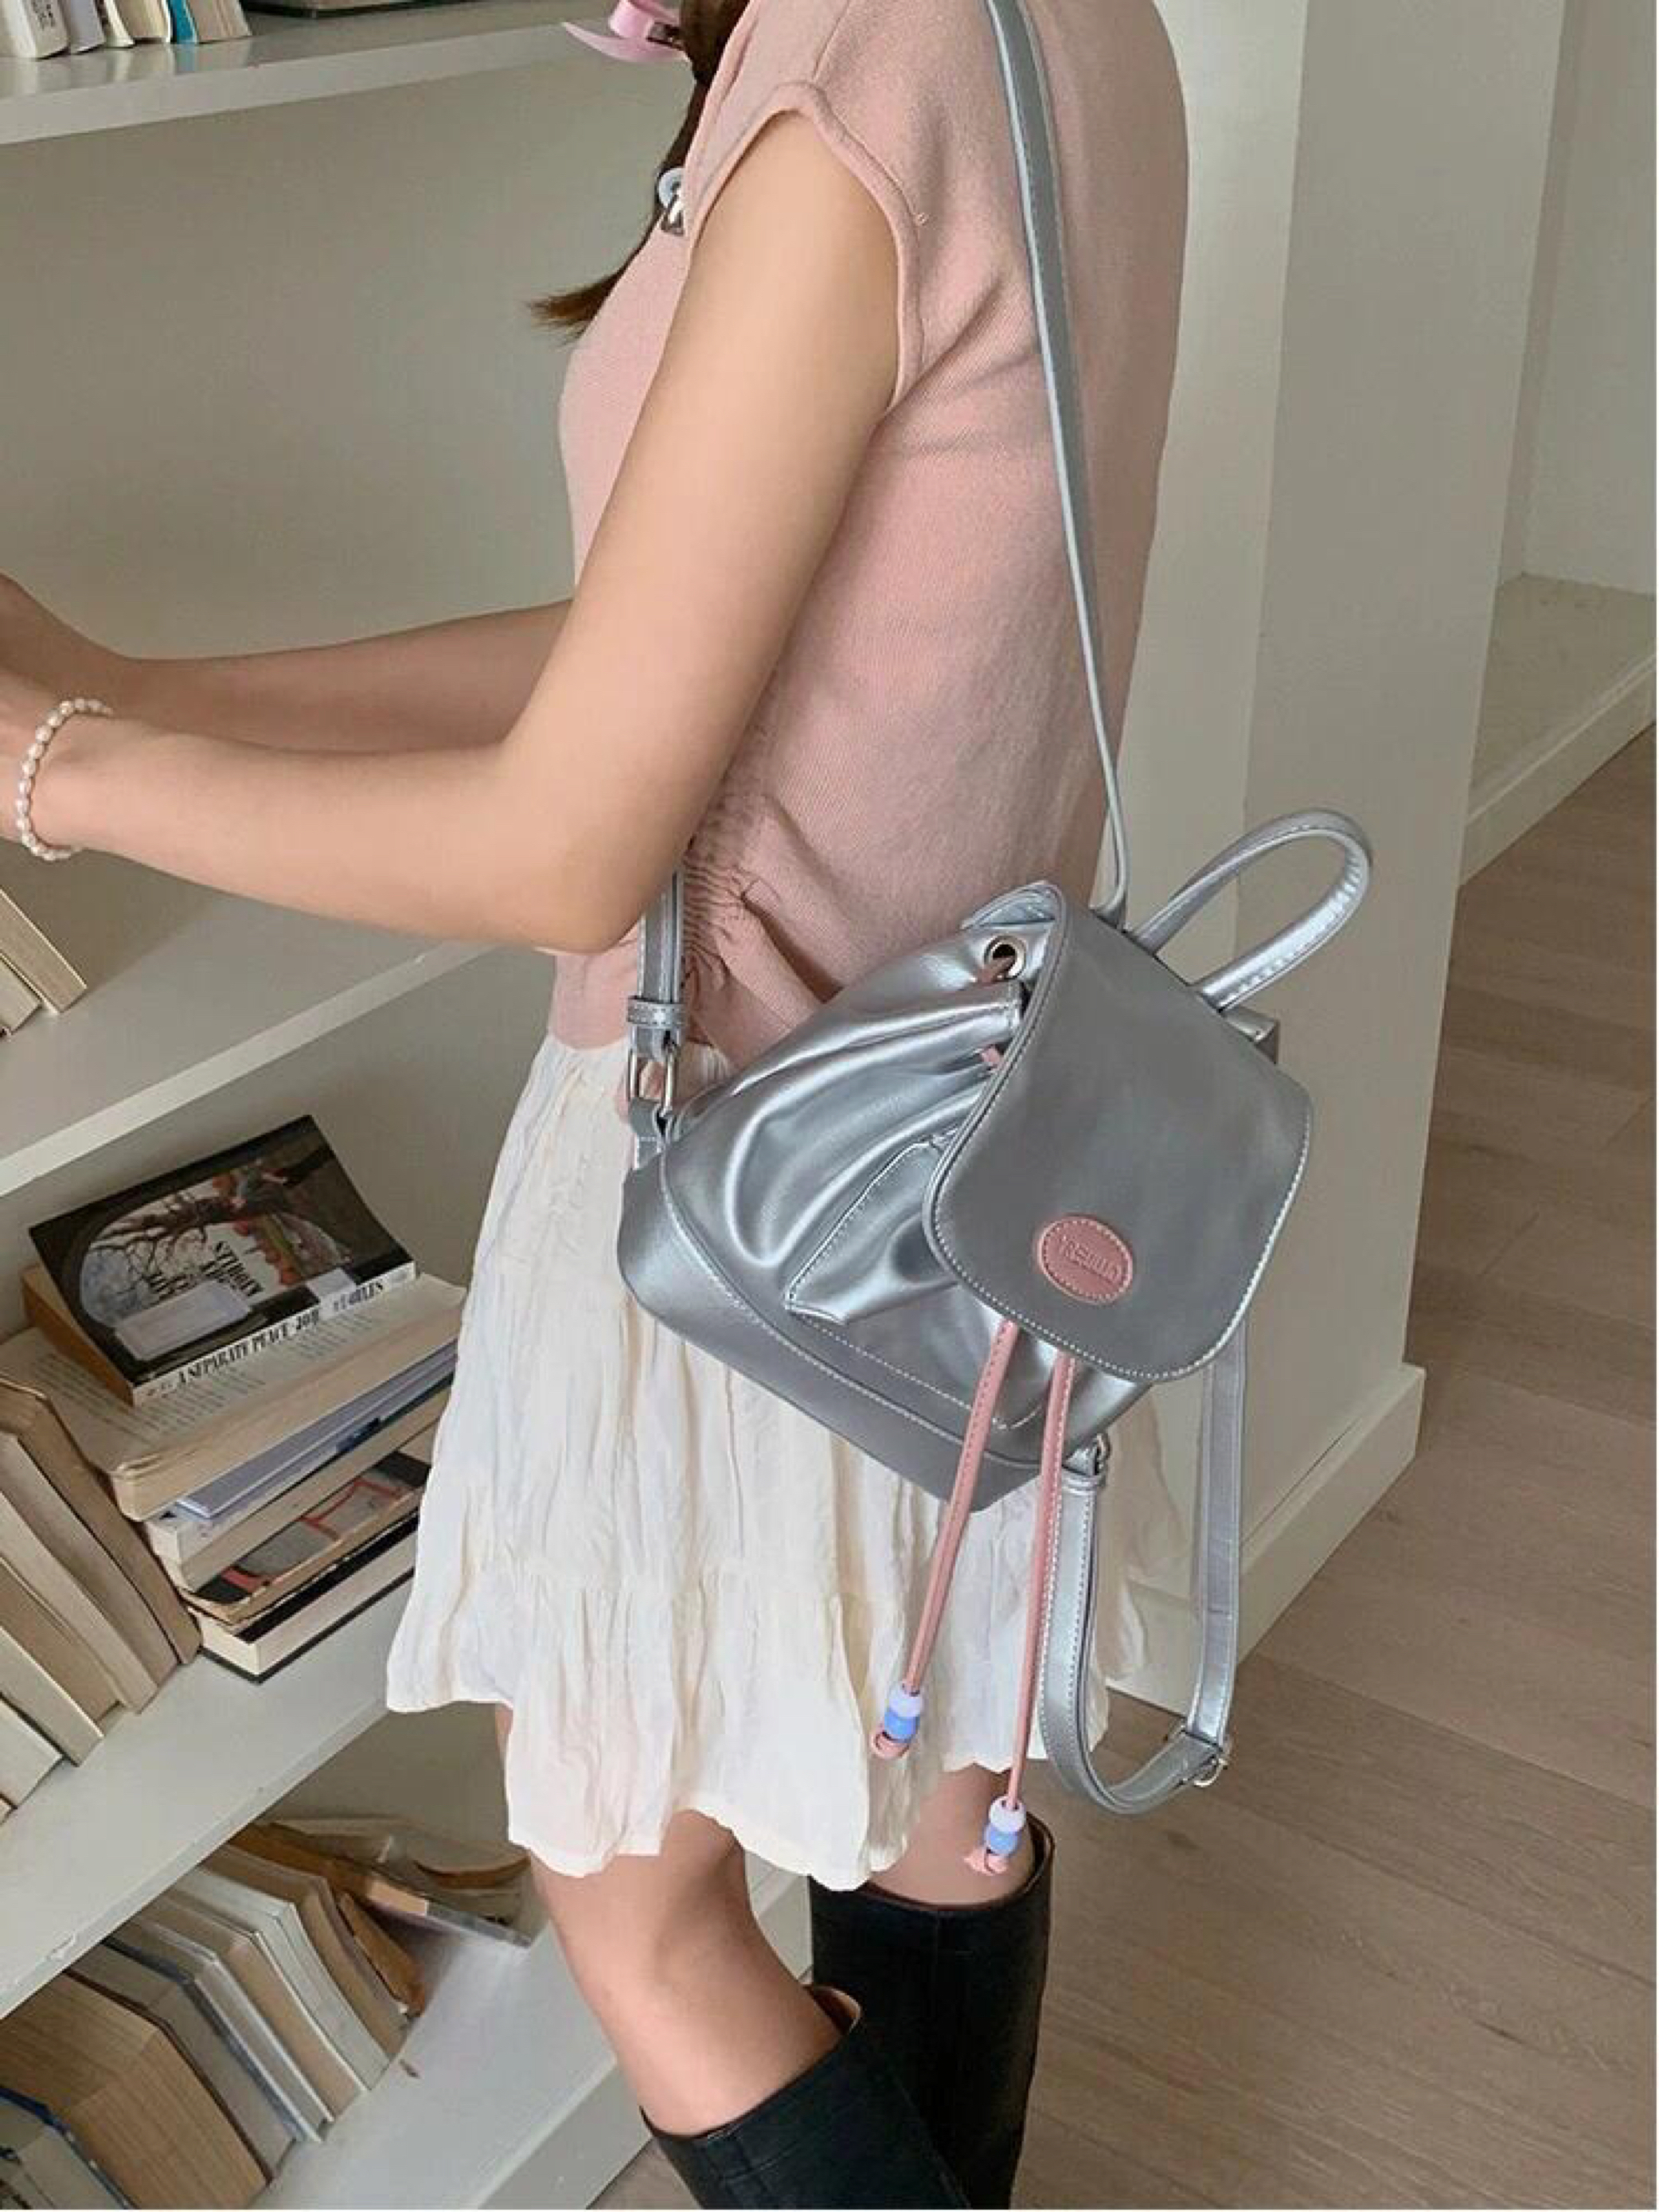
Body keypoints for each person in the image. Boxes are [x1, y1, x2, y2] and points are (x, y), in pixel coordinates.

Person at [1, 0, 1187, 2198]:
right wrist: (140, 691)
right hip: (977, 1122)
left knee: (639, 1904)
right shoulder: (1056, 30)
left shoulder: (841, 104)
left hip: (740, 1176)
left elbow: (570, 842)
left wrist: (56, 772)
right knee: (943, 1790)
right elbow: (676, 660)